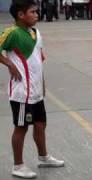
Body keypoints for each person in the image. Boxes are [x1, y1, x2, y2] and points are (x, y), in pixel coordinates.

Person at [0, 0, 65, 178]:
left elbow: (38, 60)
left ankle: (43, 157)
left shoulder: (36, 33)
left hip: (36, 92)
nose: (37, 14)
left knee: (41, 124)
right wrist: (9, 64)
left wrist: (42, 83)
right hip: (22, 94)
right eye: (33, 12)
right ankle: (18, 165)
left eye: (37, 11)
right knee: (21, 127)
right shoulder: (12, 33)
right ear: (21, 15)